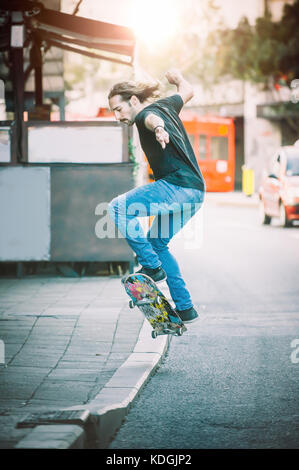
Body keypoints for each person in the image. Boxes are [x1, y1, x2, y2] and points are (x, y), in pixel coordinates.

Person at [108, 69, 205, 323]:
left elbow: (151, 120)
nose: (117, 117)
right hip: (195, 191)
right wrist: (179, 79)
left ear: (133, 101)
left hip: (177, 186)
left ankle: (151, 266)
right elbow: (188, 90)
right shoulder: (168, 104)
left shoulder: (144, 116)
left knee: (118, 207)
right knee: (158, 244)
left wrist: (160, 128)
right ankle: (185, 308)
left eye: (118, 110)